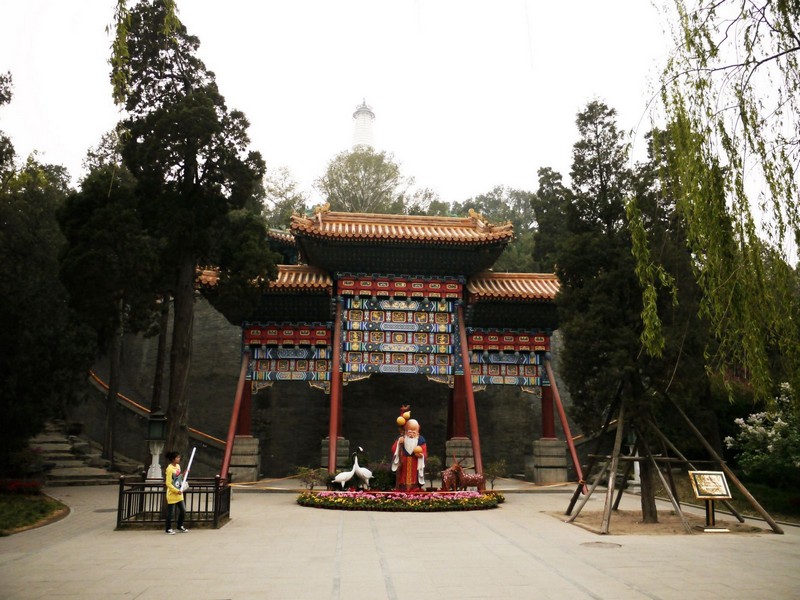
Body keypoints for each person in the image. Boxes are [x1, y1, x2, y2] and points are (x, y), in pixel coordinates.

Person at [391, 415, 427, 491]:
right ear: (406, 431)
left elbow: (424, 451)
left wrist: (421, 455)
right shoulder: (402, 438)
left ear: (418, 432)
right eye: (409, 432)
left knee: (414, 475)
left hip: (415, 460)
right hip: (404, 460)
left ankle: (415, 486)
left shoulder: (421, 440)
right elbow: (393, 449)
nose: (411, 434)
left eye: (414, 432)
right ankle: (402, 487)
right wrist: (398, 443)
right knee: (403, 475)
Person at [164, 451, 188, 534]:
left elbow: (178, 477)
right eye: (177, 457)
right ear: (173, 459)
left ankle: (179, 526)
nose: (179, 459)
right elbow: (168, 483)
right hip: (172, 494)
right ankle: (168, 528)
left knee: (183, 511)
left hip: (179, 493)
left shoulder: (178, 466)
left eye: (179, 457)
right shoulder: (169, 469)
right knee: (170, 513)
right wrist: (176, 490)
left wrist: (184, 474)